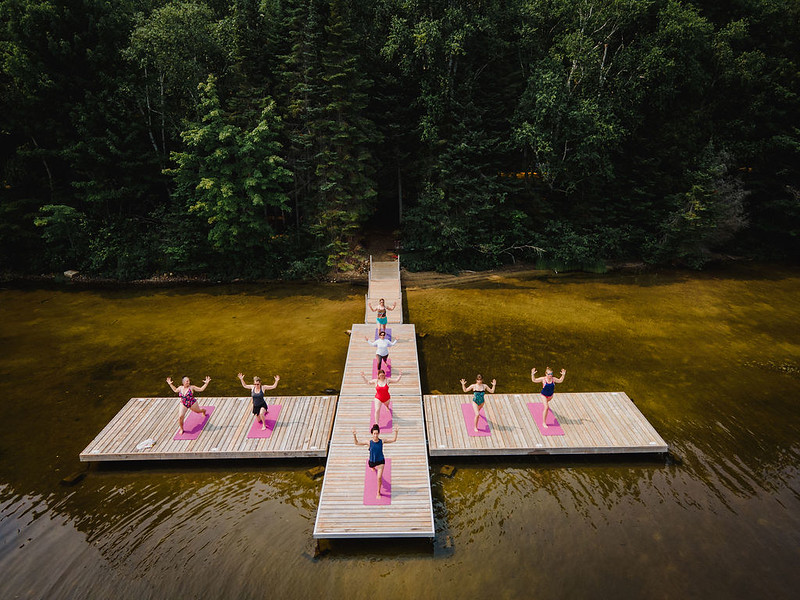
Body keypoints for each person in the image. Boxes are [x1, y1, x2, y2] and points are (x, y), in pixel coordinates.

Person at [353, 424, 399, 499]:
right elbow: (357, 443)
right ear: (372, 434)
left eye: (377, 433)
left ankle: (378, 492)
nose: (375, 435)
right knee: (371, 466)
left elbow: (394, 440)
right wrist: (354, 435)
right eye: (374, 433)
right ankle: (373, 467)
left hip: (381, 461)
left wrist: (396, 433)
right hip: (372, 461)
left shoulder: (382, 441)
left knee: (379, 477)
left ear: (378, 433)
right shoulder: (369, 442)